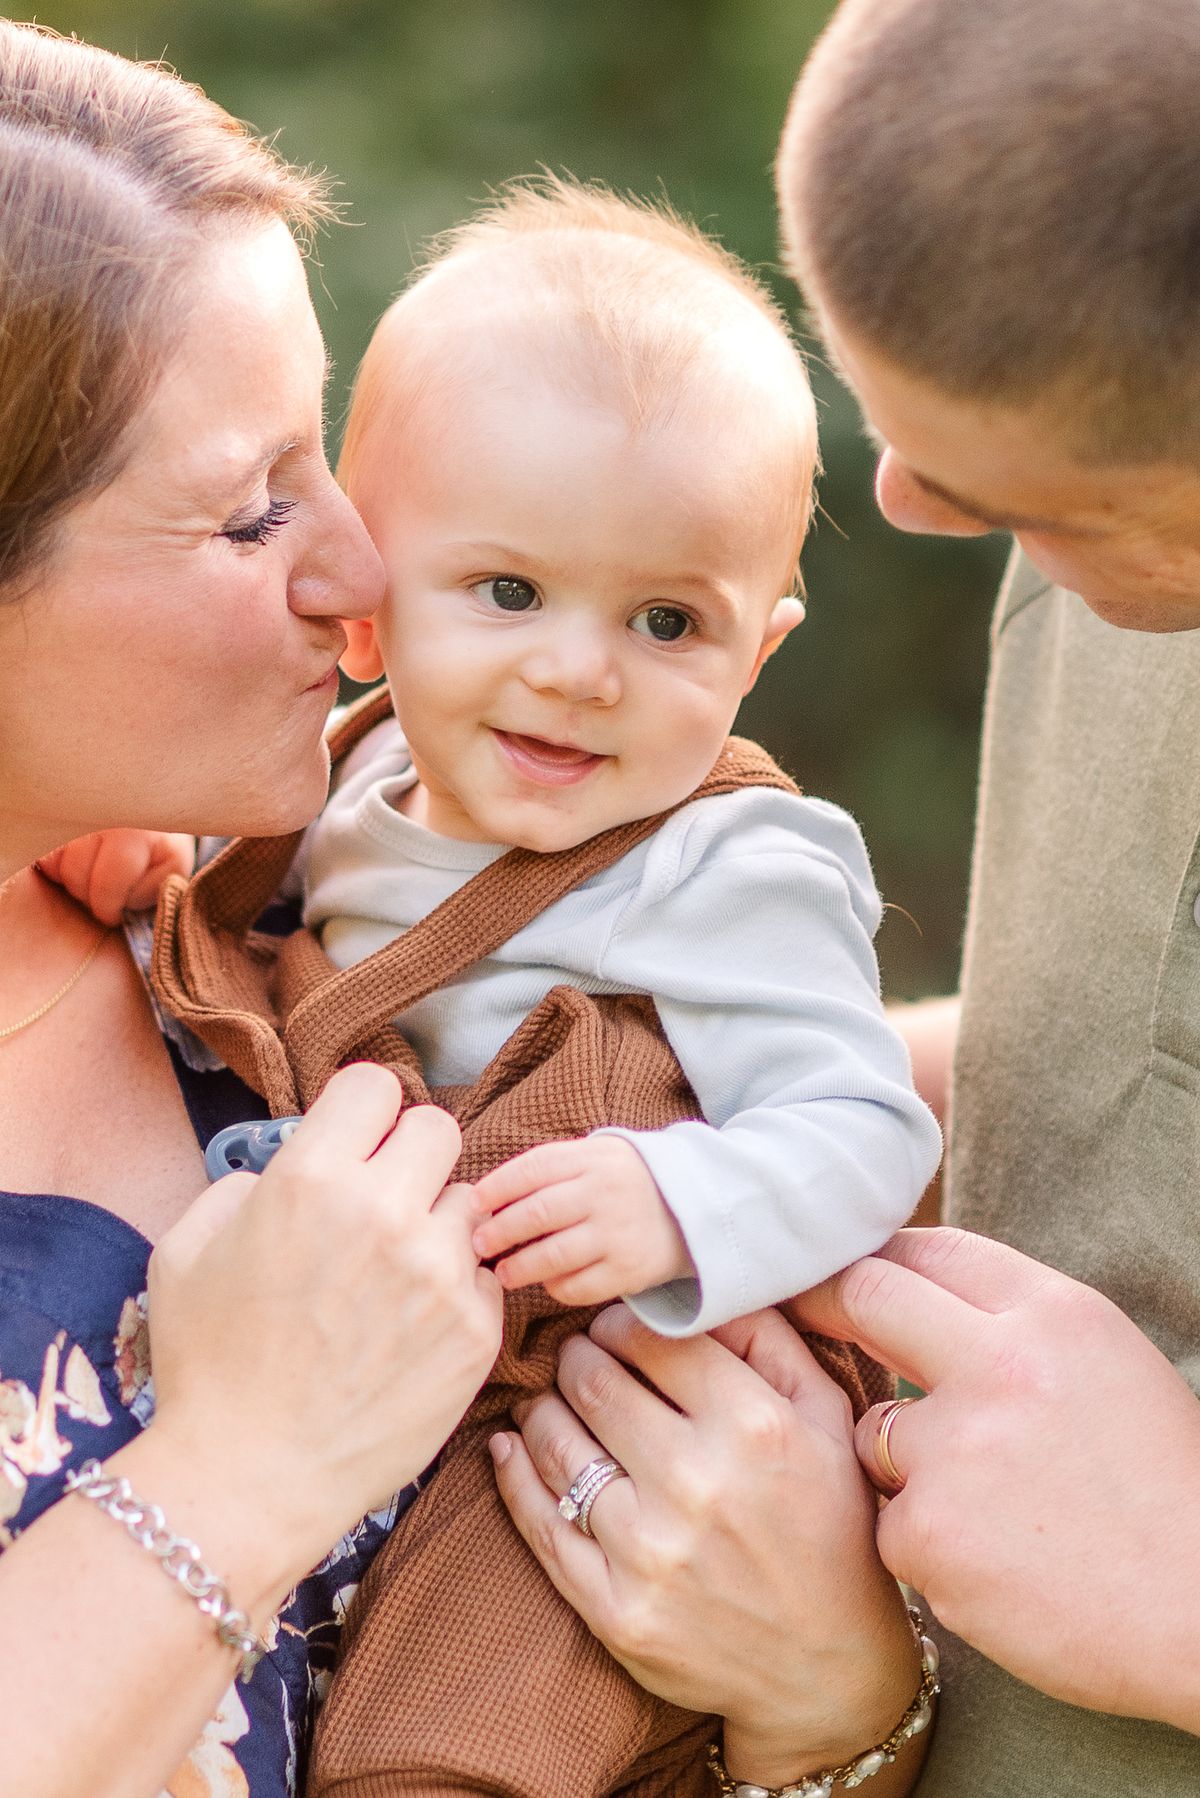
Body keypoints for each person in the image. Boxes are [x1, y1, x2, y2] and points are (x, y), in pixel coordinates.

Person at [0, 20, 934, 1798]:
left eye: (328, 469)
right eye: (251, 512)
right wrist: (237, 1465)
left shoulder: (189, 907)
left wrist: (833, 1703)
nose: (358, 572)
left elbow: (880, 1099)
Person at [492, 2, 1200, 1794]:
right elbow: (1137, 1044)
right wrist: (723, 1094)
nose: (910, 502)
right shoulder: (1117, 490)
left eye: (1027, 498)